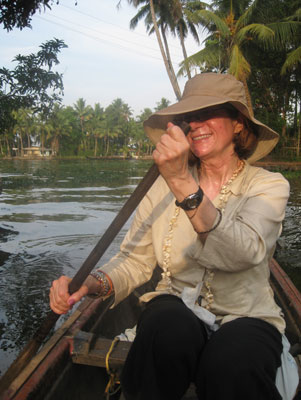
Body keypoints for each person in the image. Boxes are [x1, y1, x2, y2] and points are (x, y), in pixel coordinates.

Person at [50, 73, 298, 400]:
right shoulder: (160, 186)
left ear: (238, 123)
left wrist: (181, 181)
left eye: (208, 112)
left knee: (233, 360)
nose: (195, 124)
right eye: (189, 117)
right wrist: (89, 284)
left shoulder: (268, 186)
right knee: (165, 327)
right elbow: (136, 262)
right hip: (176, 310)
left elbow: (244, 251)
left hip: (248, 315)